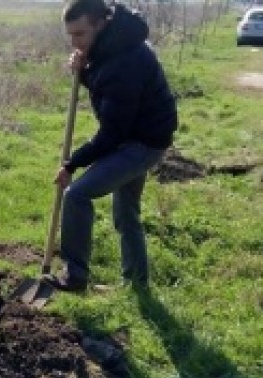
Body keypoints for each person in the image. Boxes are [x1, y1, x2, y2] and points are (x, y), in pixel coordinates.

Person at [49, 0, 178, 292]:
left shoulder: (125, 58)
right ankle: (137, 284)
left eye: (80, 34)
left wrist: (72, 163)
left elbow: (112, 133)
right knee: (126, 211)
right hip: (141, 135)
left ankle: (76, 275)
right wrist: (83, 73)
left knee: (77, 195)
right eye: (70, 35)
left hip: (141, 143)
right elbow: (108, 89)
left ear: (101, 23)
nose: (75, 42)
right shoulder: (116, 42)